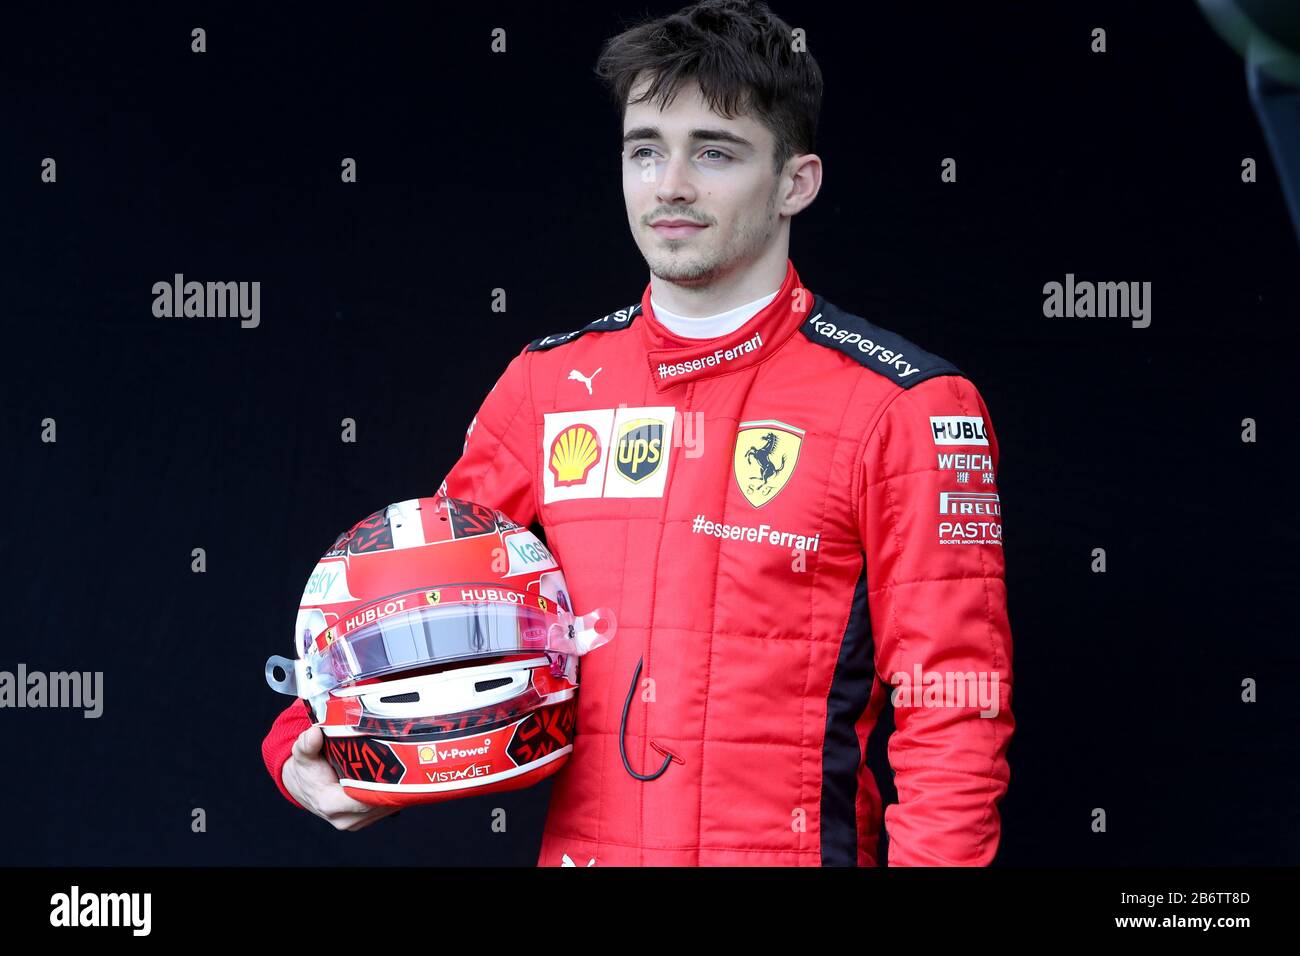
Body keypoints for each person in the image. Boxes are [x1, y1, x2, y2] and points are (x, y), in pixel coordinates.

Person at [261, 0, 1015, 865]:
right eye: (645, 150)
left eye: (716, 152)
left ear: (797, 182)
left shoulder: (905, 405)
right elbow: (418, 584)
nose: (671, 184)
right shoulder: (547, 384)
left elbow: (957, 705)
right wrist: (304, 741)